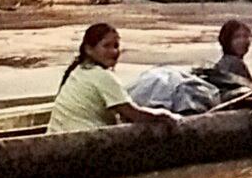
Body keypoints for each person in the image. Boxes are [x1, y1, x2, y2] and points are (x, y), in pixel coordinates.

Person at [47, 23, 179, 134]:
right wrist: (164, 115)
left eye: (116, 46)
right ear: (89, 50)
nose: (114, 51)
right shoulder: (101, 76)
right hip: (85, 142)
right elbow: (133, 113)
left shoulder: (79, 70)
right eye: (106, 46)